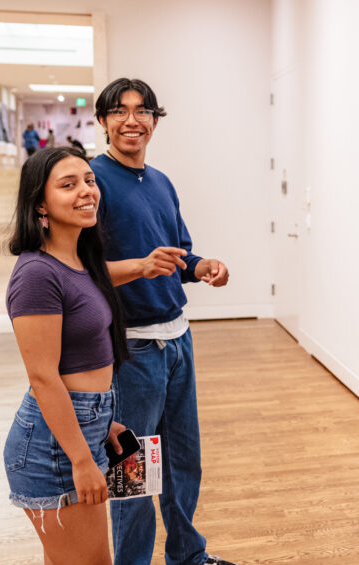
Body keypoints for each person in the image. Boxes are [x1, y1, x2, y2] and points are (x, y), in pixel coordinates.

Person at [92, 77, 233, 565]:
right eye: (120, 111)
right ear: (104, 120)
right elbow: (77, 269)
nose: (132, 120)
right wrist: (141, 267)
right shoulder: (92, 180)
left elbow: (178, 254)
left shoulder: (160, 181)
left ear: (154, 120)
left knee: (181, 461)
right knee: (133, 471)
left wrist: (202, 267)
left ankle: (188, 556)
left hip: (178, 341)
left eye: (142, 111)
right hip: (131, 351)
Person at [3, 146, 130, 563]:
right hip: (53, 448)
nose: (86, 192)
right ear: (40, 203)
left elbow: (80, 358)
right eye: (68, 184)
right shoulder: (37, 273)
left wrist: (101, 420)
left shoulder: (76, 258)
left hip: (81, 426)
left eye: (89, 181)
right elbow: (43, 378)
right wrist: (80, 458)